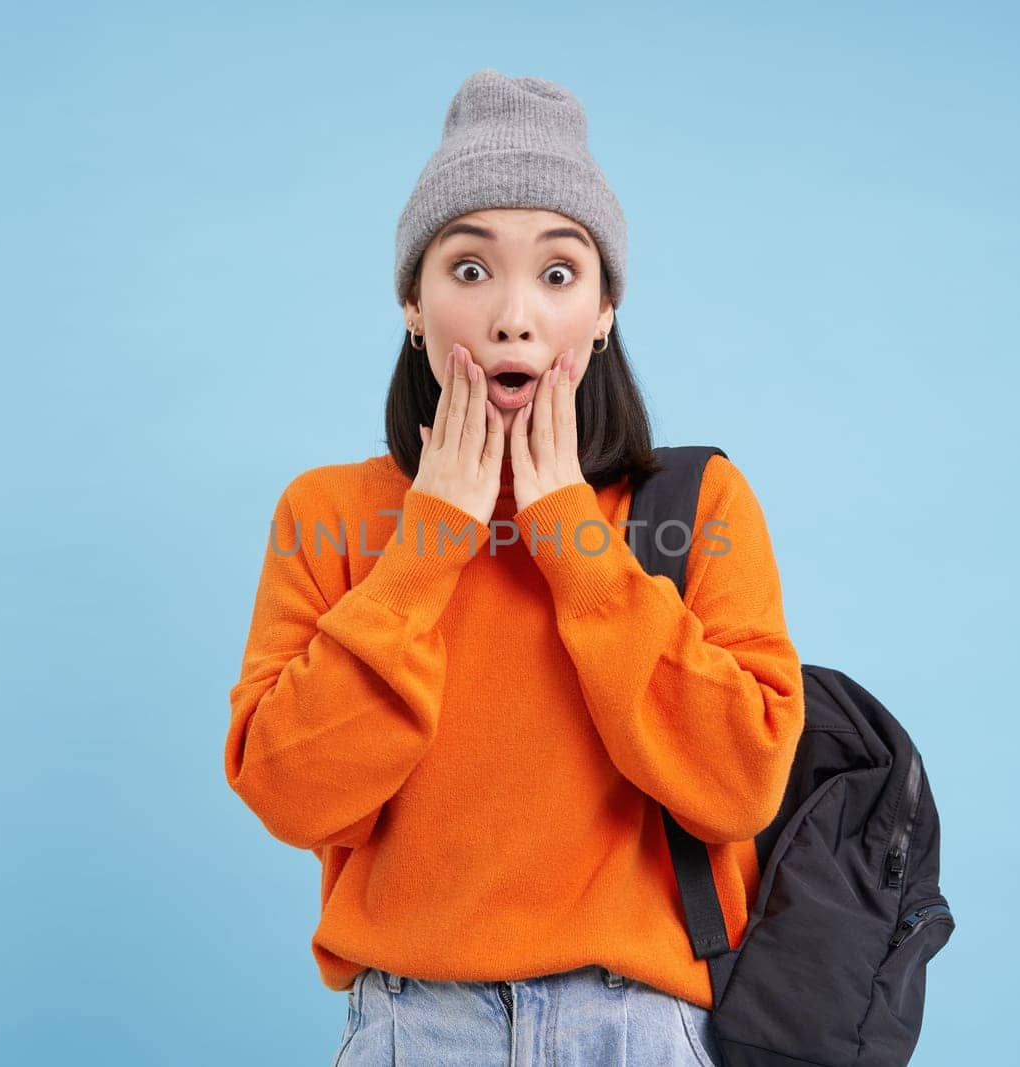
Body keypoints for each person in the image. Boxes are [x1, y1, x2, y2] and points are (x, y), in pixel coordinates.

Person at [225, 67, 806, 1066]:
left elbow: (740, 781)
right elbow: (291, 791)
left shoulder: (696, 504)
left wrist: (571, 538)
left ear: (604, 310)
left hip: (637, 1024)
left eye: (556, 272)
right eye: (467, 269)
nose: (513, 315)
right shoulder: (326, 513)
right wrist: (428, 543)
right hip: (414, 1024)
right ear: (413, 302)